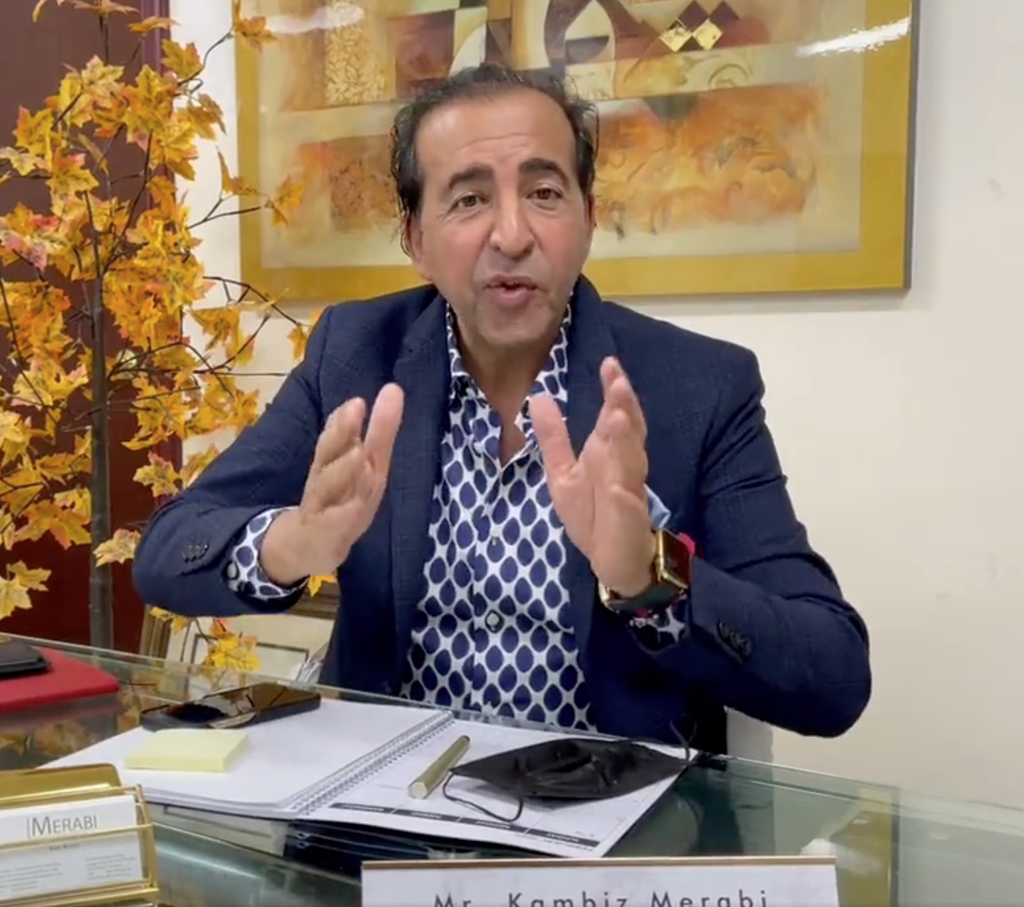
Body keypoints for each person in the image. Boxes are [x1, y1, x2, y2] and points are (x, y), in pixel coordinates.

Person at [133, 63, 870, 754]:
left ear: (588, 218)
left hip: (607, 843)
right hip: (382, 826)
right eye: (469, 198)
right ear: (417, 239)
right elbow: (168, 552)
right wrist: (295, 542)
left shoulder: (698, 387)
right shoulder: (356, 355)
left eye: (545, 193)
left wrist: (649, 570)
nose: (512, 236)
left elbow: (833, 675)